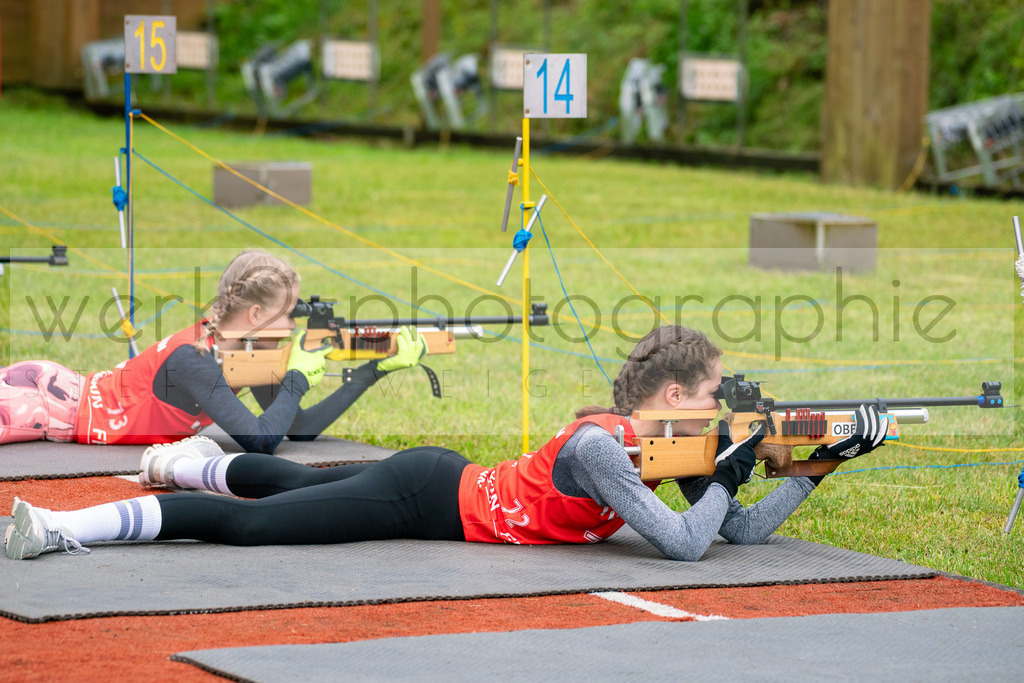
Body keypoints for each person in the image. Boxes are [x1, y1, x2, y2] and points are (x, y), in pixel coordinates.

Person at [4, 325, 888, 562]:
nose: (720, 408)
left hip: (440, 492)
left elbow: (738, 529)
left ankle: (191, 462)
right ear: (672, 398)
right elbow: (686, 545)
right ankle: (62, 526)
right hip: (428, 495)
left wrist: (818, 467)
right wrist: (735, 464)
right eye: (712, 396)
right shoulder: (603, 450)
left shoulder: (665, 452)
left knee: (292, 486)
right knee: (258, 526)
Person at [0, 249, 427, 453]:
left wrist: (373, 372)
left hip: (55, 400)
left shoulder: (242, 352)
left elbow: (295, 428)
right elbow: (259, 441)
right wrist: (297, 378)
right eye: (288, 314)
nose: (294, 326)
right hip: (47, 403)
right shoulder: (194, 359)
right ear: (256, 314)